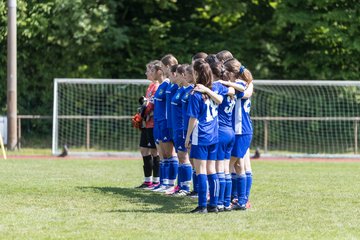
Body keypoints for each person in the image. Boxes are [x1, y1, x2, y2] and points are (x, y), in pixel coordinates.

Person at [185, 59, 224, 213]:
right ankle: (213, 204)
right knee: (212, 170)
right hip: (214, 135)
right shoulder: (215, 89)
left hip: (201, 135)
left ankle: (202, 206)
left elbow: (193, 118)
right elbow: (220, 100)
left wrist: (187, 137)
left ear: (196, 73)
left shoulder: (195, 94)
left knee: (200, 170)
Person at [221, 58, 254, 210]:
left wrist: (226, 84)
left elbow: (240, 88)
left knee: (228, 164)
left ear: (232, 73)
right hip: (238, 130)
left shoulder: (240, 83)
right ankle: (240, 200)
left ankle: (227, 200)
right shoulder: (241, 83)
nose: (224, 76)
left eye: (225, 73)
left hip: (242, 130)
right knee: (238, 165)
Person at [152, 54, 179, 193]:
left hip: (167, 122)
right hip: (159, 122)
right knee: (163, 154)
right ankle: (164, 183)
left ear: (168, 66)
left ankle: (170, 184)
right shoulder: (164, 84)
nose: (161, 69)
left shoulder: (171, 84)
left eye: (162, 66)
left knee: (170, 153)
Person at [136, 61, 161, 189]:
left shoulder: (157, 87)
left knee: (154, 151)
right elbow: (147, 104)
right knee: (144, 149)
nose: (146, 73)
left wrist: (146, 114)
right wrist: (141, 114)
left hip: (153, 124)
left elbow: (154, 106)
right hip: (147, 123)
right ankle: (147, 181)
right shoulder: (150, 86)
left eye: (149, 71)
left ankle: (156, 181)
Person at [170, 64, 193, 196]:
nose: (176, 77)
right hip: (177, 128)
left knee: (184, 157)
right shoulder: (181, 90)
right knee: (180, 157)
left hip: (183, 128)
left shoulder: (190, 91)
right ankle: (180, 186)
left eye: (178, 75)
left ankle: (186, 187)